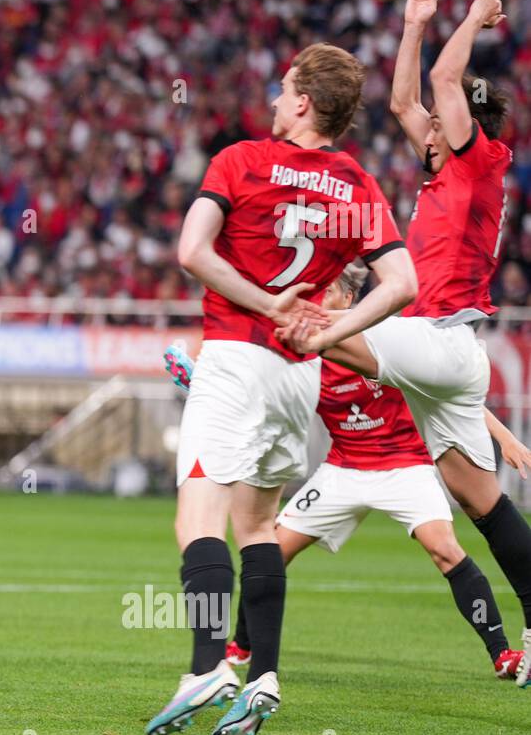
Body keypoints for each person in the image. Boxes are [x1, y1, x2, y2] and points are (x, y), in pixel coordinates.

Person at [146, 42, 418, 735]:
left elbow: (193, 254)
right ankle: (262, 674)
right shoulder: (355, 183)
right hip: (300, 376)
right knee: (259, 527)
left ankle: (209, 664)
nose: (273, 99)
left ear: (302, 102)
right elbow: (402, 284)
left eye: (282, 89)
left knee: (197, 517)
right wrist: (329, 330)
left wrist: (268, 306)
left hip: (236, 355)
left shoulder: (239, 160)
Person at [282, 0, 531, 688]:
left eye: (436, 123)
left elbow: (448, 80)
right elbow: (401, 100)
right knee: (484, 504)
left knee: (316, 325)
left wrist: (476, 16)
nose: (420, 129)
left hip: (440, 337)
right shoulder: (449, 171)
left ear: (462, 124)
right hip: (443, 356)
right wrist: (414, 21)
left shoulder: (477, 157)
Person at [167, 261, 530, 679]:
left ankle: (501, 652)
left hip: (404, 466)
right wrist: (208, 384)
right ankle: (242, 645)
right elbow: (263, 394)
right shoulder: (308, 349)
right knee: (271, 547)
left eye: (326, 291)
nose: (317, 299)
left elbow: (450, 391)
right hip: (342, 468)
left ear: (349, 298)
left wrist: (503, 437)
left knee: (445, 550)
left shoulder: (382, 341)